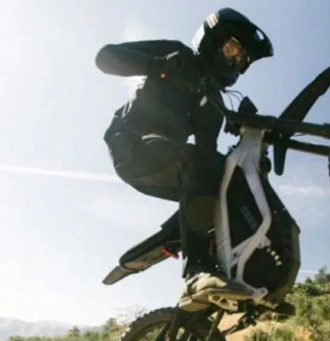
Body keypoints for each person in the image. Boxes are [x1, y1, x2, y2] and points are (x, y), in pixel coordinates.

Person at [95, 8, 274, 311]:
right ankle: (196, 272)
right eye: (232, 49)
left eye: (241, 59)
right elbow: (105, 58)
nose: (234, 61)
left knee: (227, 181)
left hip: (166, 161)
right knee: (202, 163)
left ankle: (218, 270)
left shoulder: (214, 102)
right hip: (131, 146)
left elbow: (208, 161)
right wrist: (157, 65)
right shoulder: (178, 54)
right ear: (213, 39)